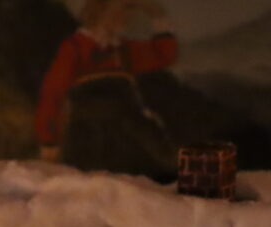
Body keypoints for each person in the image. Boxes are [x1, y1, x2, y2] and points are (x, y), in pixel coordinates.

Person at [34, 0, 177, 175]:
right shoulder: (75, 47)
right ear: (100, 12)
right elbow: (52, 93)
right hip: (91, 134)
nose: (125, 18)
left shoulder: (122, 49)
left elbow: (164, 55)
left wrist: (158, 16)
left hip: (130, 129)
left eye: (127, 12)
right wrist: (49, 141)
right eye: (119, 11)